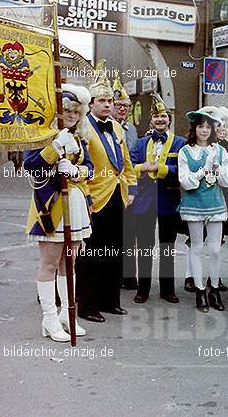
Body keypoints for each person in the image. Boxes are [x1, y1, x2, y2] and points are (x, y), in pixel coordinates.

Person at [25, 84, 93, 341]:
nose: (71, 116)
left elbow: (90, 167)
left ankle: (67, 313)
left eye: (75, 112)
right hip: (50, 205)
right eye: (66, 111)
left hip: (75, 203)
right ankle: (49, 318)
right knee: (50, 263)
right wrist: (54, 148)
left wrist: (76, 171)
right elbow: (32, 166)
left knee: (70, 261)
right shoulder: (42, 134)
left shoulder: (80, 138)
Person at [75, 61, 137, 323]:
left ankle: (110, 301)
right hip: (93, 199)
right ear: (91, 104)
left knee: (114, 251)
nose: (107, 105)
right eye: (101, 100)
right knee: (90, 255)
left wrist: (131, 185)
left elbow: (126, 161)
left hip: (117, 196)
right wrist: (85, 196)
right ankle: (87, 305)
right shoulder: (83, 128)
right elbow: (79, 163)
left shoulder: (118, 127)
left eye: (109, 101)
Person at [127, 95, 186, 304]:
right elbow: (129, 167)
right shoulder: (141, 143)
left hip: (169, 201)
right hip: (145, 201)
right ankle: (143, 289)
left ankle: (167, 289)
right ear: (150, 121)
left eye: (163, 116)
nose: (160, 120)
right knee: (144, 246)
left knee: (167, 246)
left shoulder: (181, 143)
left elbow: (184, 170)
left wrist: (161, 169)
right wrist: (143, 167)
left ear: (169, 119)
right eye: (156, 117)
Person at [178, 109, 228, 312]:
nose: (204, 130)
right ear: (194, 128)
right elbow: (186, 181)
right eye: (201, 126)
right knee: (197, 246)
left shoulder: (219, 150)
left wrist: (218, 168)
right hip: (194, 203)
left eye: (208, 127)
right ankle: (200, 291)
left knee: (216, 249)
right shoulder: (186, 151)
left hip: (215, 203)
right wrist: (204, 168)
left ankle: (215, 289)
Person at [112, 73, 140, 291]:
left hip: (128, 189)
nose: (122, 109)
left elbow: (134, 159)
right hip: (107, 187)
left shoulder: (132, 130)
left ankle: (128, 275)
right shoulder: (106, 127)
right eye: (118, 105)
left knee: (129, 234)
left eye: (126, 106)